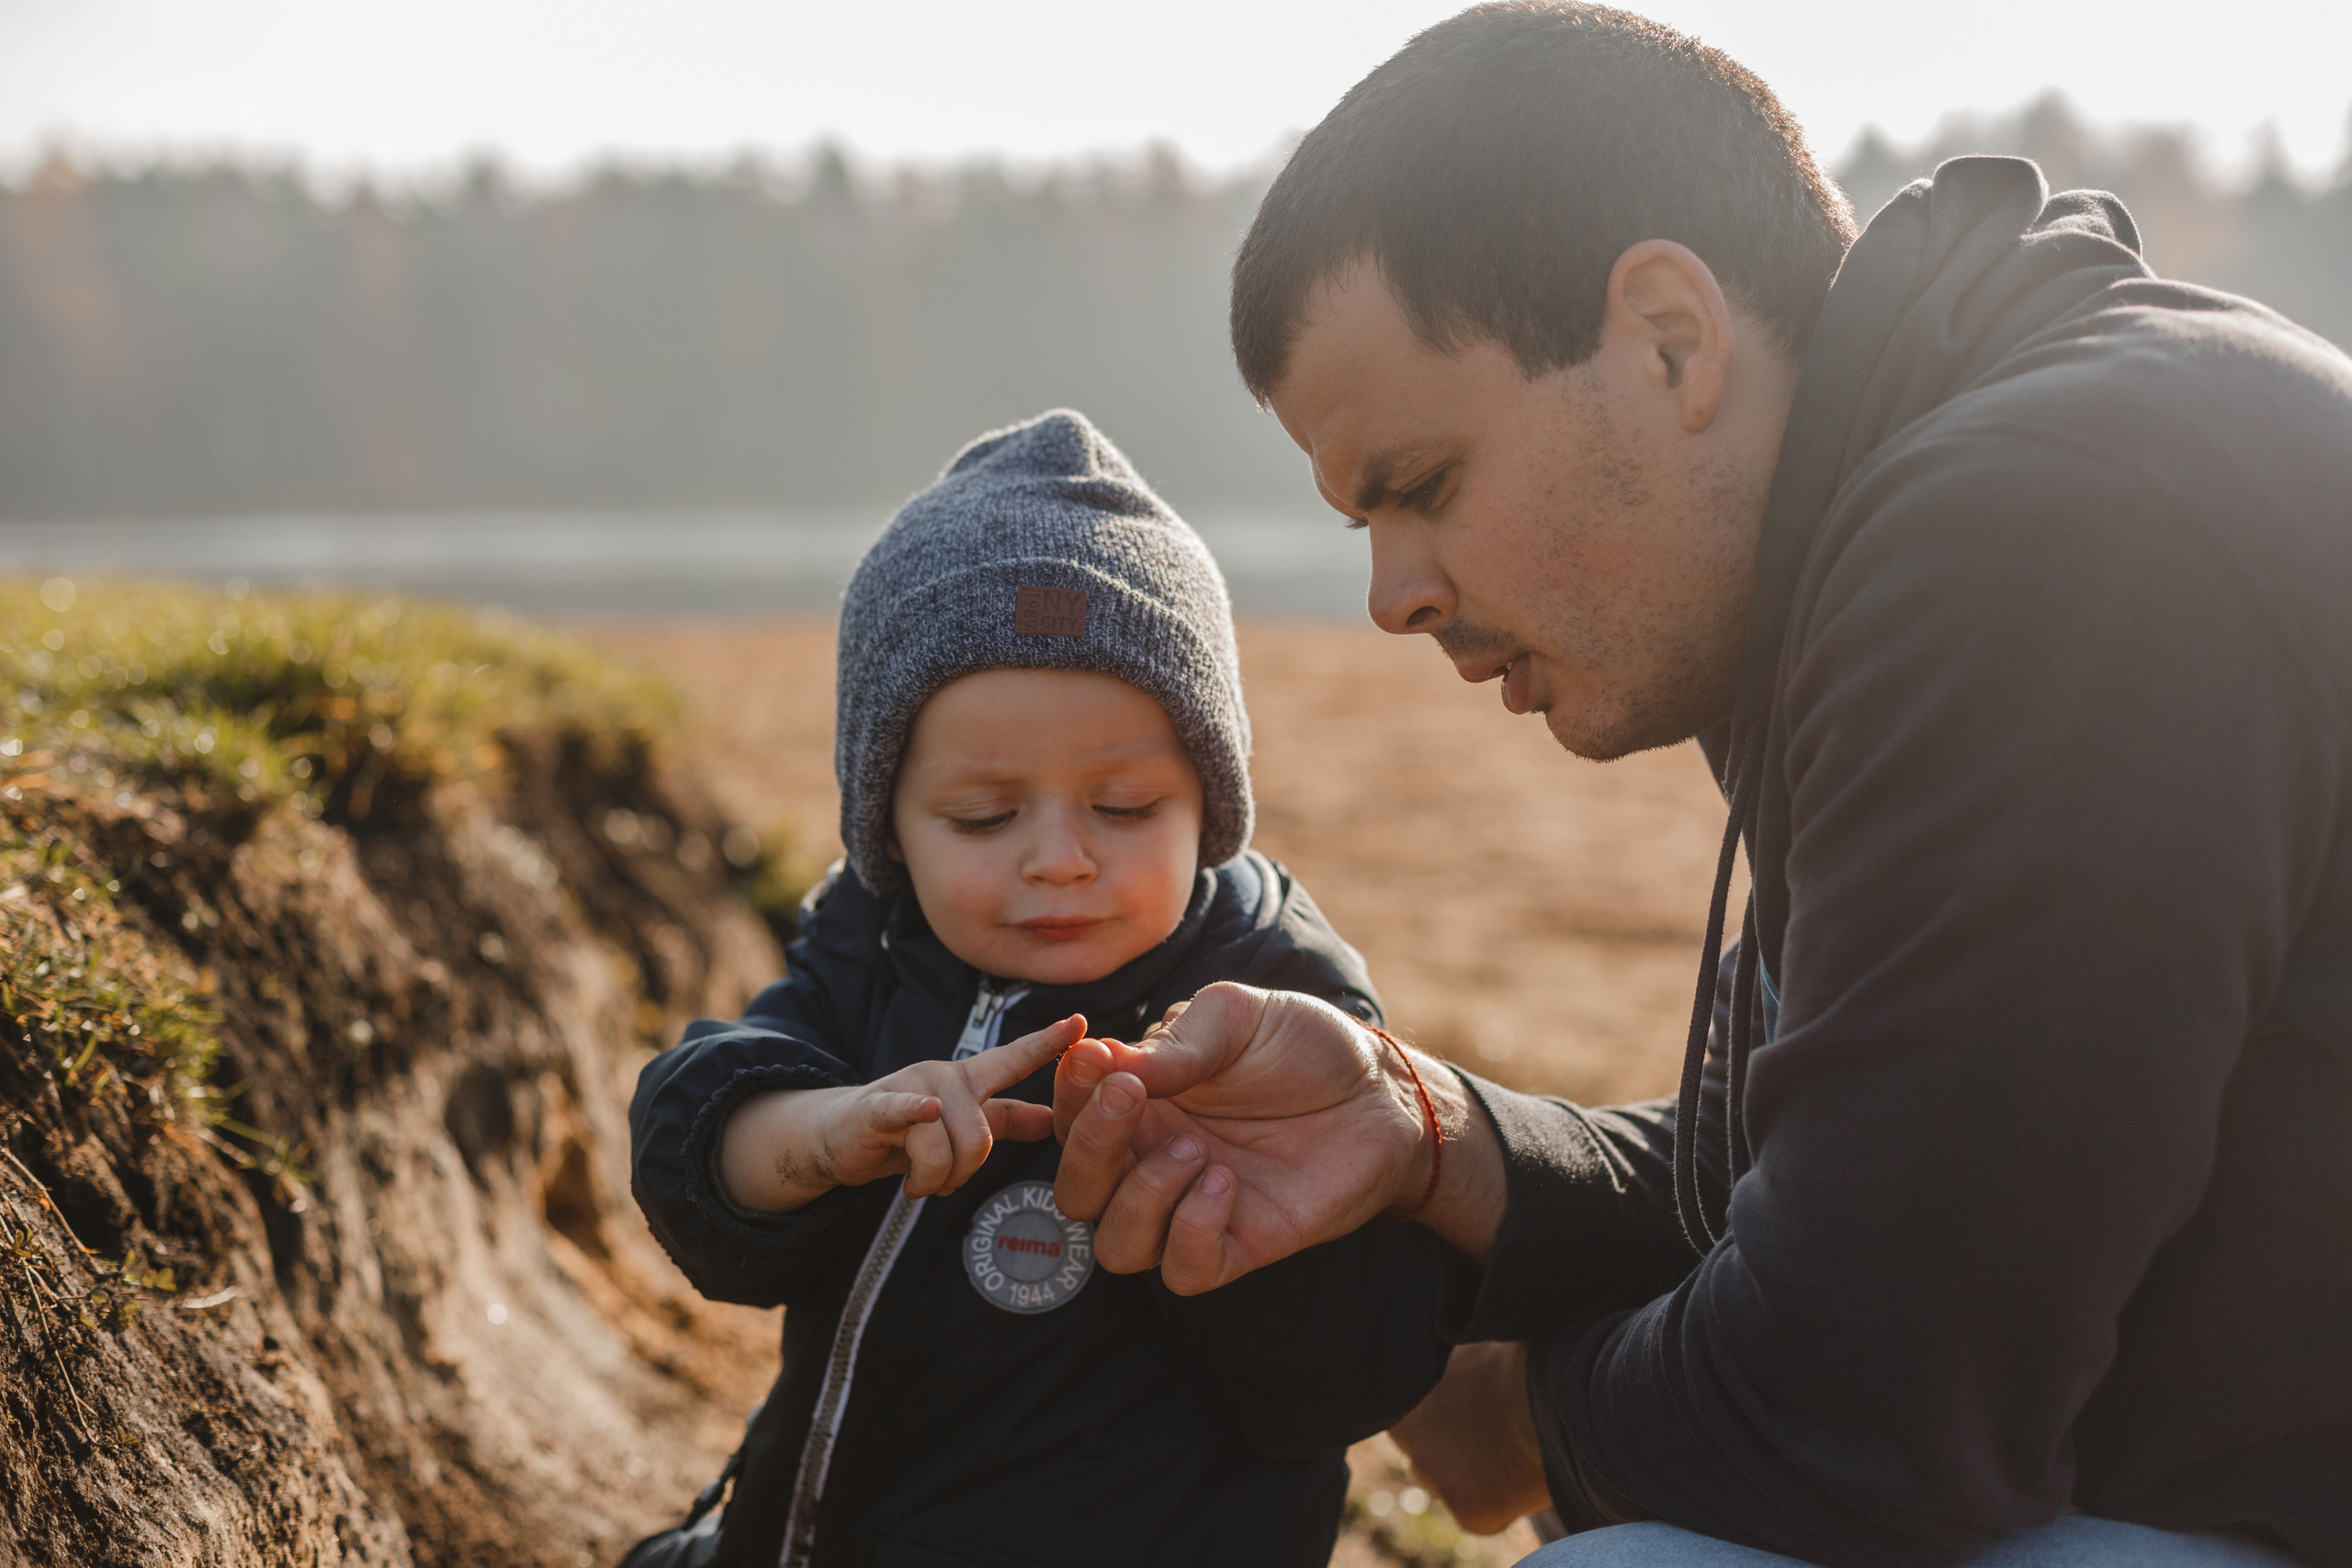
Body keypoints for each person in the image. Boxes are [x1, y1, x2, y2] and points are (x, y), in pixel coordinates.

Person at [1046, 6, 2352, 1567]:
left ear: (1671, 337)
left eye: (1427, 487)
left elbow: (1859, 1415)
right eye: (1363, 528)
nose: (1395, 595)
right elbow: (1858, 1167)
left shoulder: (2042, 541)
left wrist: (1518, 1416)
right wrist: (1429, 1136)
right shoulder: (1948, 476)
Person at [623, 409, 1458, 1568]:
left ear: (1209, 805)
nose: (1058, 858)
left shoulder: (1275, 1001)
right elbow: (700, 1150)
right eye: (982, 815)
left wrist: (1210, 1214)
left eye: (1124, 809)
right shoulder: (874, 944)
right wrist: (829, 1133)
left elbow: (1343, 1382)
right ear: (890, 826)